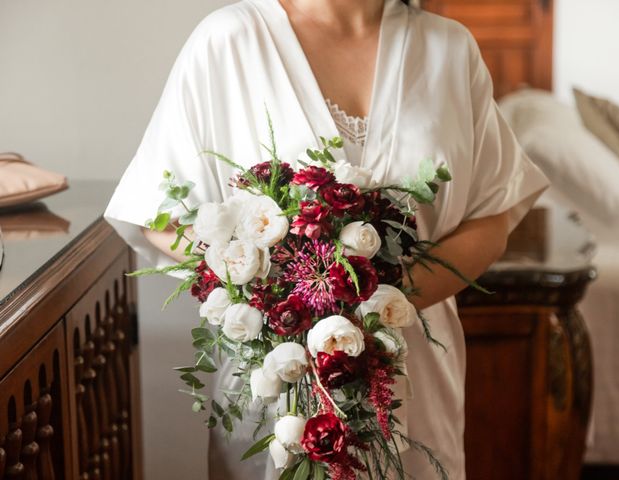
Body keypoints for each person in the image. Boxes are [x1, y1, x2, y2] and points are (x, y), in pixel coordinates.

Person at [104, 0, 549, 478]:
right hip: (279, 386)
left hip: (416, 384)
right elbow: (157, 216)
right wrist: (274, 290)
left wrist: (374, 306)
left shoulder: (449, 48)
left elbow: (492, 216)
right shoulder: (229, 41)